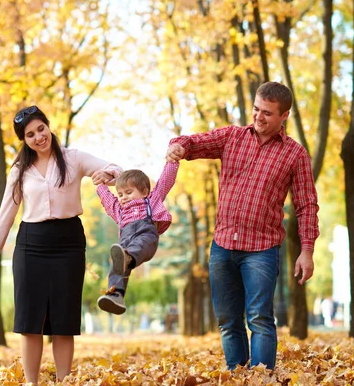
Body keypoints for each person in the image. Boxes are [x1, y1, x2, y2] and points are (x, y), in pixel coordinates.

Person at [165, 81, 319, 370]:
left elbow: (307, 204)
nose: (259, 117)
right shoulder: (232, 137)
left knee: (259, 318)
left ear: (284, 116)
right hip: (222, 246)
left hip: (262, 249)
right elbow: (196, 142)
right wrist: (179, 146)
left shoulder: (295, 155)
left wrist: (307, 250)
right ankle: (237, 376)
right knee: (227, 320)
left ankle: (260, 378)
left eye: (268, 113)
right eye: (256, 109)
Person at [0, 105, 122, 384]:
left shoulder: (74, 158)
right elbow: (6, 212)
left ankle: (64, 380)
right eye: (30, 134)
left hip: (68, 244)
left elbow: (116, 169)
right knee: (30, 321)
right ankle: (31, 383)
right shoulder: (20, 171)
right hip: (30, 246)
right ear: (24, 140)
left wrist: (107, 175)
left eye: (41, 129)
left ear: (48, 126)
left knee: (63, 321)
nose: (38, 137)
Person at [95, 161, 179, 314]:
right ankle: (115, 295)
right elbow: (107, 199)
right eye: (120, 194)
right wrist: (100, 185)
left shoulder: (151, 201)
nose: (123, 198)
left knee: (135, 247)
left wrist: (173, 162)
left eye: (128, 192)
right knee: (118, 260)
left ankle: (128, 257)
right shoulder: (118, 211)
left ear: (145, 192)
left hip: (146, 234)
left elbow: (165, 181)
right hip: (126, 241)